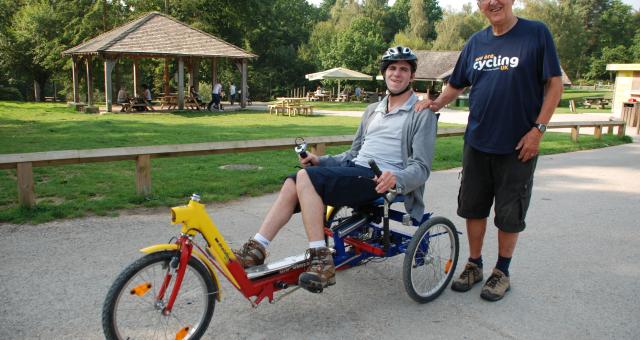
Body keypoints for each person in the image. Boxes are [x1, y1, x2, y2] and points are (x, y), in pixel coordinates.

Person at [233, 46, 438, 293]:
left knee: (304, 177)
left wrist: (397, 177)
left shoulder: (421, 114)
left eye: (404, 69)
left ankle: (321, 260)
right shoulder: (373, 110)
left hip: (380, 178)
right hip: (355, 170)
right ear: (384, 73)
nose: (397, 73)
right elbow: (353, 154)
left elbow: (422, 167)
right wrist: (322, 161)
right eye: (392, 68)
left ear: (412, 76)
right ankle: (256, 248)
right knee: (292, 181)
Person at [415, 0, 563, 301]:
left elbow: (555, 85)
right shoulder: (476, 42)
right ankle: (475, 263)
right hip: (478, 142)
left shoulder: (536, 33)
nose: (492, 2)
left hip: (518, 144)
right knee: (474, 207)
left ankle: (502, 271)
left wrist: (539, 130)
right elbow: (457, 84)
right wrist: (434, 104)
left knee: (510, 212)